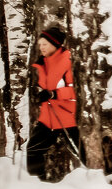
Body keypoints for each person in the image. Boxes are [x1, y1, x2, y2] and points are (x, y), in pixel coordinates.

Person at [27, 26, 83, 181]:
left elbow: (75, 90)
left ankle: (101, 181)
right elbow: (45, 86)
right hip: (48, 117)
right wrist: (38, 90)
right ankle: (36, 183)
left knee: (83, 152)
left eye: (44, 44)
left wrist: (53, 93)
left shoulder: (67, 61)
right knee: (33, 149)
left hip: (66, 116)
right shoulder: (44, 63)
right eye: (40, 44)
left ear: (54, 43)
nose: (41, 47)